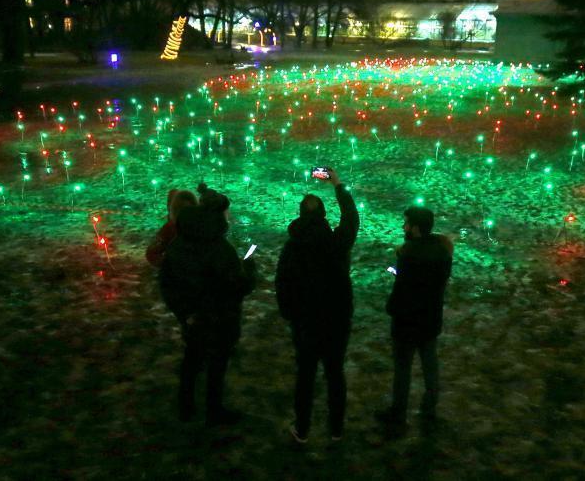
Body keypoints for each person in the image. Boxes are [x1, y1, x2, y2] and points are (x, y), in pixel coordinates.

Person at [159, 183, 256, 426]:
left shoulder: (180, 243)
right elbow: (238, 286)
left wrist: (184, 312)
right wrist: (249, 269)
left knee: (192, 359)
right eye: (226, 213)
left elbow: (167, 283)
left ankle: (186, 407)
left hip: (192, 319)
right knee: (217, 364)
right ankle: (214, 411)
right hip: (220, 319)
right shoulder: (220, 249)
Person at [275, 168, 359, 443]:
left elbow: (282, 284)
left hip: (305, 323)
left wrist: (290, 314)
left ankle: (302, 429)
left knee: (306, 375)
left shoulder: (292, 247)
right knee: (335, 373)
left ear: (300, 215)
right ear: (323, 215)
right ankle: (335, 429)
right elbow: (351, 218)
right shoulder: (336, 242)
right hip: (336, 321)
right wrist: (338, 184)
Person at [377, 206, 453, 430]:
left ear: (416, 228)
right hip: (430, 319)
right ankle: (429, 410)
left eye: (407, 223)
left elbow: (402, 288)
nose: (403, 227)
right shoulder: (442, 253)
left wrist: (392, 307)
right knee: (430, 366)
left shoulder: (408, 255)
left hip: (407, 322)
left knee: (403, 370)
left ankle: (398, 414)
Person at [145, 189, 197, 267]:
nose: (185, 214)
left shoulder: (202, 227)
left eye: (189, 210)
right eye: (181, 209)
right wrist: (169, 266)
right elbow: (152, 253)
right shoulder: (169, 228)